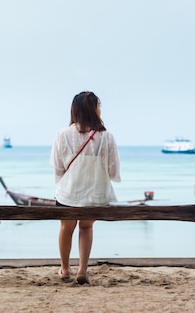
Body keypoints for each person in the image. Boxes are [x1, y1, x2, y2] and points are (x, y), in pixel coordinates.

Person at [50, 91, 121, 284]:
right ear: (94, 109)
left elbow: (57, 167)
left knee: (66, 228)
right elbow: (113, 170)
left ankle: (65, 269)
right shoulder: (106, 136)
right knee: (86, 226)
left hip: (68, 194)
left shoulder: (62, 135)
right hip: (96, 195)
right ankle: (82, 269)